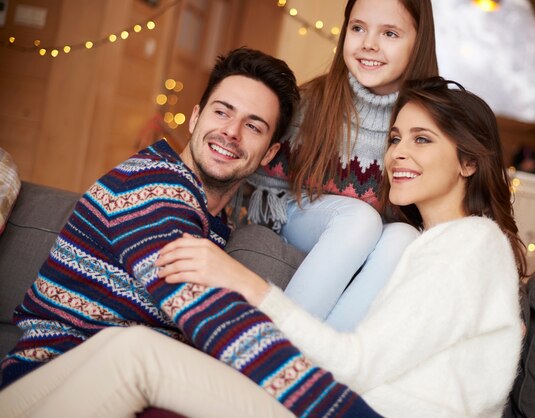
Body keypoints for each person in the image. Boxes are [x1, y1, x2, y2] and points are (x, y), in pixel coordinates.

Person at [0, 47, 380, 418]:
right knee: (137, 351)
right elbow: (206, 312)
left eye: (253, 126)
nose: (231, 132)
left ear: (268, 153)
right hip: (40, 386)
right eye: (222, 112)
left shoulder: (215, 226)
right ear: (195, 117)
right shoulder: (149, 186)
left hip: (103, 392)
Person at [140, 77, 527, 417]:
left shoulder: (470, 245)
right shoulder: (430, 245)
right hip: (337, 400)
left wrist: (246, 284)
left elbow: (354, 365)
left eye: (422, 139)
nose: (397, 154)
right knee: (135, 357)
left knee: (136, 361)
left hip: (351, 406)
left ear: (469, 163)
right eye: (395, 139)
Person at [247, 0, 439, 331]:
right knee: (360, 219)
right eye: (358, 28)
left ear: (418, 42)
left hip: (373, 238)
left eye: (390, 33)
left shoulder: (430, 123)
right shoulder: (311, 102)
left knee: (405, 238)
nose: (369, 44)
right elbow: (266, 195)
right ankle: (273, 343)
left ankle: (321, 363)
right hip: (300, 213)